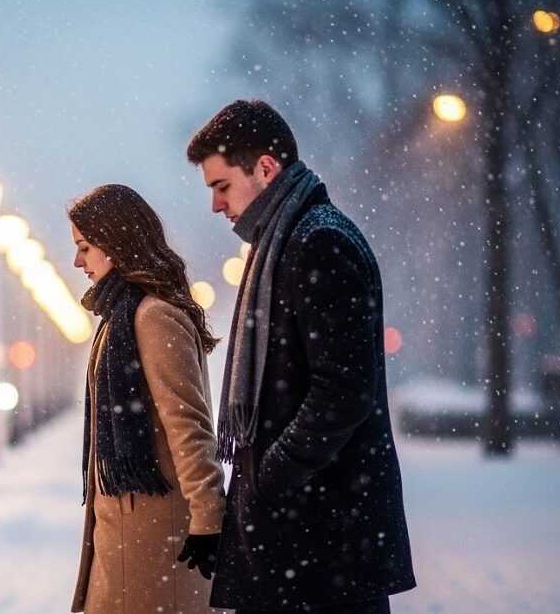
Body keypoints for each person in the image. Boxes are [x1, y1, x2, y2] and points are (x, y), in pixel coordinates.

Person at [185, 100, 416, 613]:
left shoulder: (318, 242)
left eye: (221, 186)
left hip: (319, 541)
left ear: (265, 168)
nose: (216, 206)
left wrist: (271, 477)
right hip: (307, 540)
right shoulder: (289, 239)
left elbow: (344, 389)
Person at [68, 184, 228, 614]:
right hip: (131, 533)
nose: (77, 261)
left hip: (157, 539)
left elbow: (188, 425)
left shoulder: (152, 316)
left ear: (114, 244)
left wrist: (209, 518)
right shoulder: (119, 317)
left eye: (84, 247)